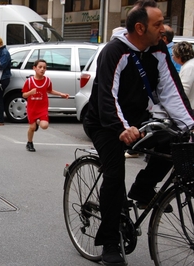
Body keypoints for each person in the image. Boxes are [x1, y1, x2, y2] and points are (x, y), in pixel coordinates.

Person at [83, 1, 194, 265]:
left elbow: (171, 91)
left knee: (174, 141)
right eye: (158, 24)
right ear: (140, 27)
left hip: (139, 121)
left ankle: (143, 189)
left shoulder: (157, 51)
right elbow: (107, 95)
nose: (163, 28)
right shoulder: (114, 51)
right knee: (114, 174)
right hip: (104, 122)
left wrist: (190, 126)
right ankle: (110, 241)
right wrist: (121, 128)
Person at [22, 59, 69, 152]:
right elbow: (24, 94)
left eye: (44, 68)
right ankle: (29, 143)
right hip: (32, 107)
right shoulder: (29, 81)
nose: (42, 69)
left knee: (45, 126)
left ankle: (38, 122)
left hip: (42, 107)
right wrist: (30, 92)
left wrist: (61, 94)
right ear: (34, 68)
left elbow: (50, 90)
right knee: (32, 127)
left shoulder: (47, 80)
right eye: (40, 67)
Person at [172, 41, 194, 107]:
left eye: (173, 55)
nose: (172, 57)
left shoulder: (189, 67)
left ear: (179, 56)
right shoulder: (189, 65)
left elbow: (184, 91)